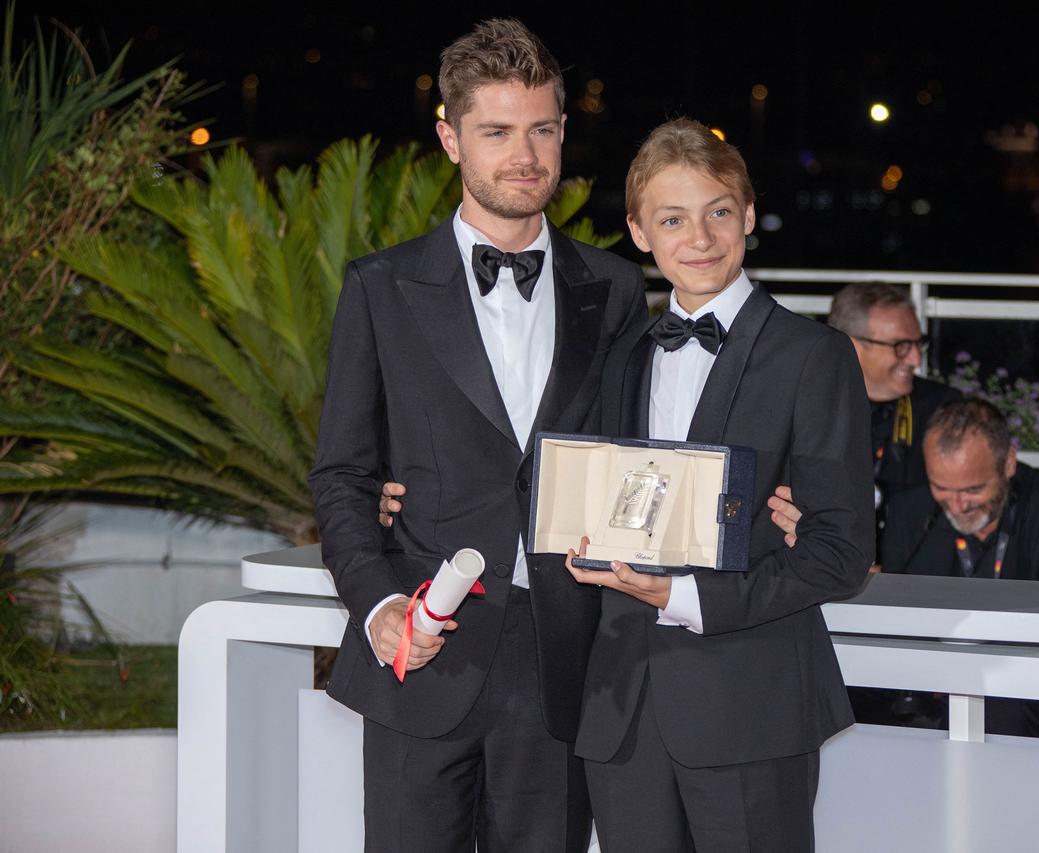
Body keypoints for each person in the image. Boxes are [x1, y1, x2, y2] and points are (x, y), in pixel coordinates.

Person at [307, 20, 645, 853]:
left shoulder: (617, 287)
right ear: (450, 139)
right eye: (496, 131)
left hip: (562, 655)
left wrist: (754, 499)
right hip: (426, 647)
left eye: (540, 129)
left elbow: (648, 453)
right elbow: (344, 474)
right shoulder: (381, 287)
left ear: (563, 132)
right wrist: (380, 605)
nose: (523, 154)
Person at [564, 119, 874, 852]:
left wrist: (685, 597)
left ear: (748, 215)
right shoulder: (621, 355)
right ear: (640, 232)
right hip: (623, 707)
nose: (698, 237)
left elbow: (840, 551)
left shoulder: (813, 355)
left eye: (718, 213)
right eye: (673, 218)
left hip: (751, 702)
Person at [881, 397, 1039, 583]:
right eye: (941, 487)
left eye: (972, 490)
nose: (956, 506)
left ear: (1008, 463)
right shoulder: (908, 512)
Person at [826, 283, 959, 525]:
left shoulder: (943, 410)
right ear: (850, 346)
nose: (916, 359)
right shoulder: (808, 407)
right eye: (901, 346)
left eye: (919, 343)